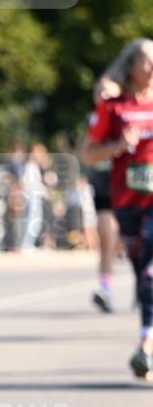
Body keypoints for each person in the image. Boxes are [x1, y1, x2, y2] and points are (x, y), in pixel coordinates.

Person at [82, 38, 153, 380]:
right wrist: (118, 146)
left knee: (152, 274)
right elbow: (88, 153)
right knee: (144, 277)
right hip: (128, 202)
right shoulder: (113, 108)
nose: (152, 68)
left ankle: (145, 345)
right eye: (146, 61)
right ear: (131, 67)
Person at [80, 77, 122, 313]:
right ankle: (106, 288)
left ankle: (144, 284)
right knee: (106, 236)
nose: (105, 97)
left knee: (140, 242)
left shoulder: (129, 116)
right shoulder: (92, 121)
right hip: (104, 186)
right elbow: (85, 152)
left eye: (110, 93)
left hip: (132, 187)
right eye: (101, 93)